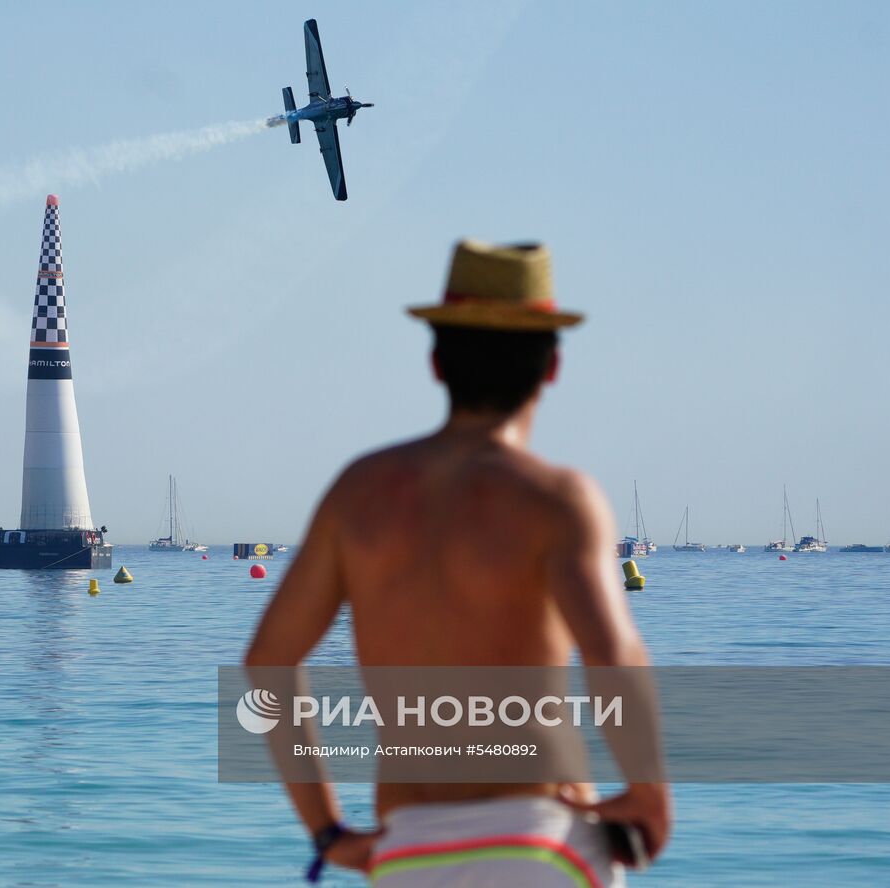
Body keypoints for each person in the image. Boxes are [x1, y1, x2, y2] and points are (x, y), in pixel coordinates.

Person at [245, 240, 670, 886]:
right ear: (552, 367)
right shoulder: (559, 500)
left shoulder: (358, 493)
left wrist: (328, 831)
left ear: (436, 361)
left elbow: (268, 662)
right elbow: (614, 656)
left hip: (412, 849)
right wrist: (647, 791)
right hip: (542, 841)